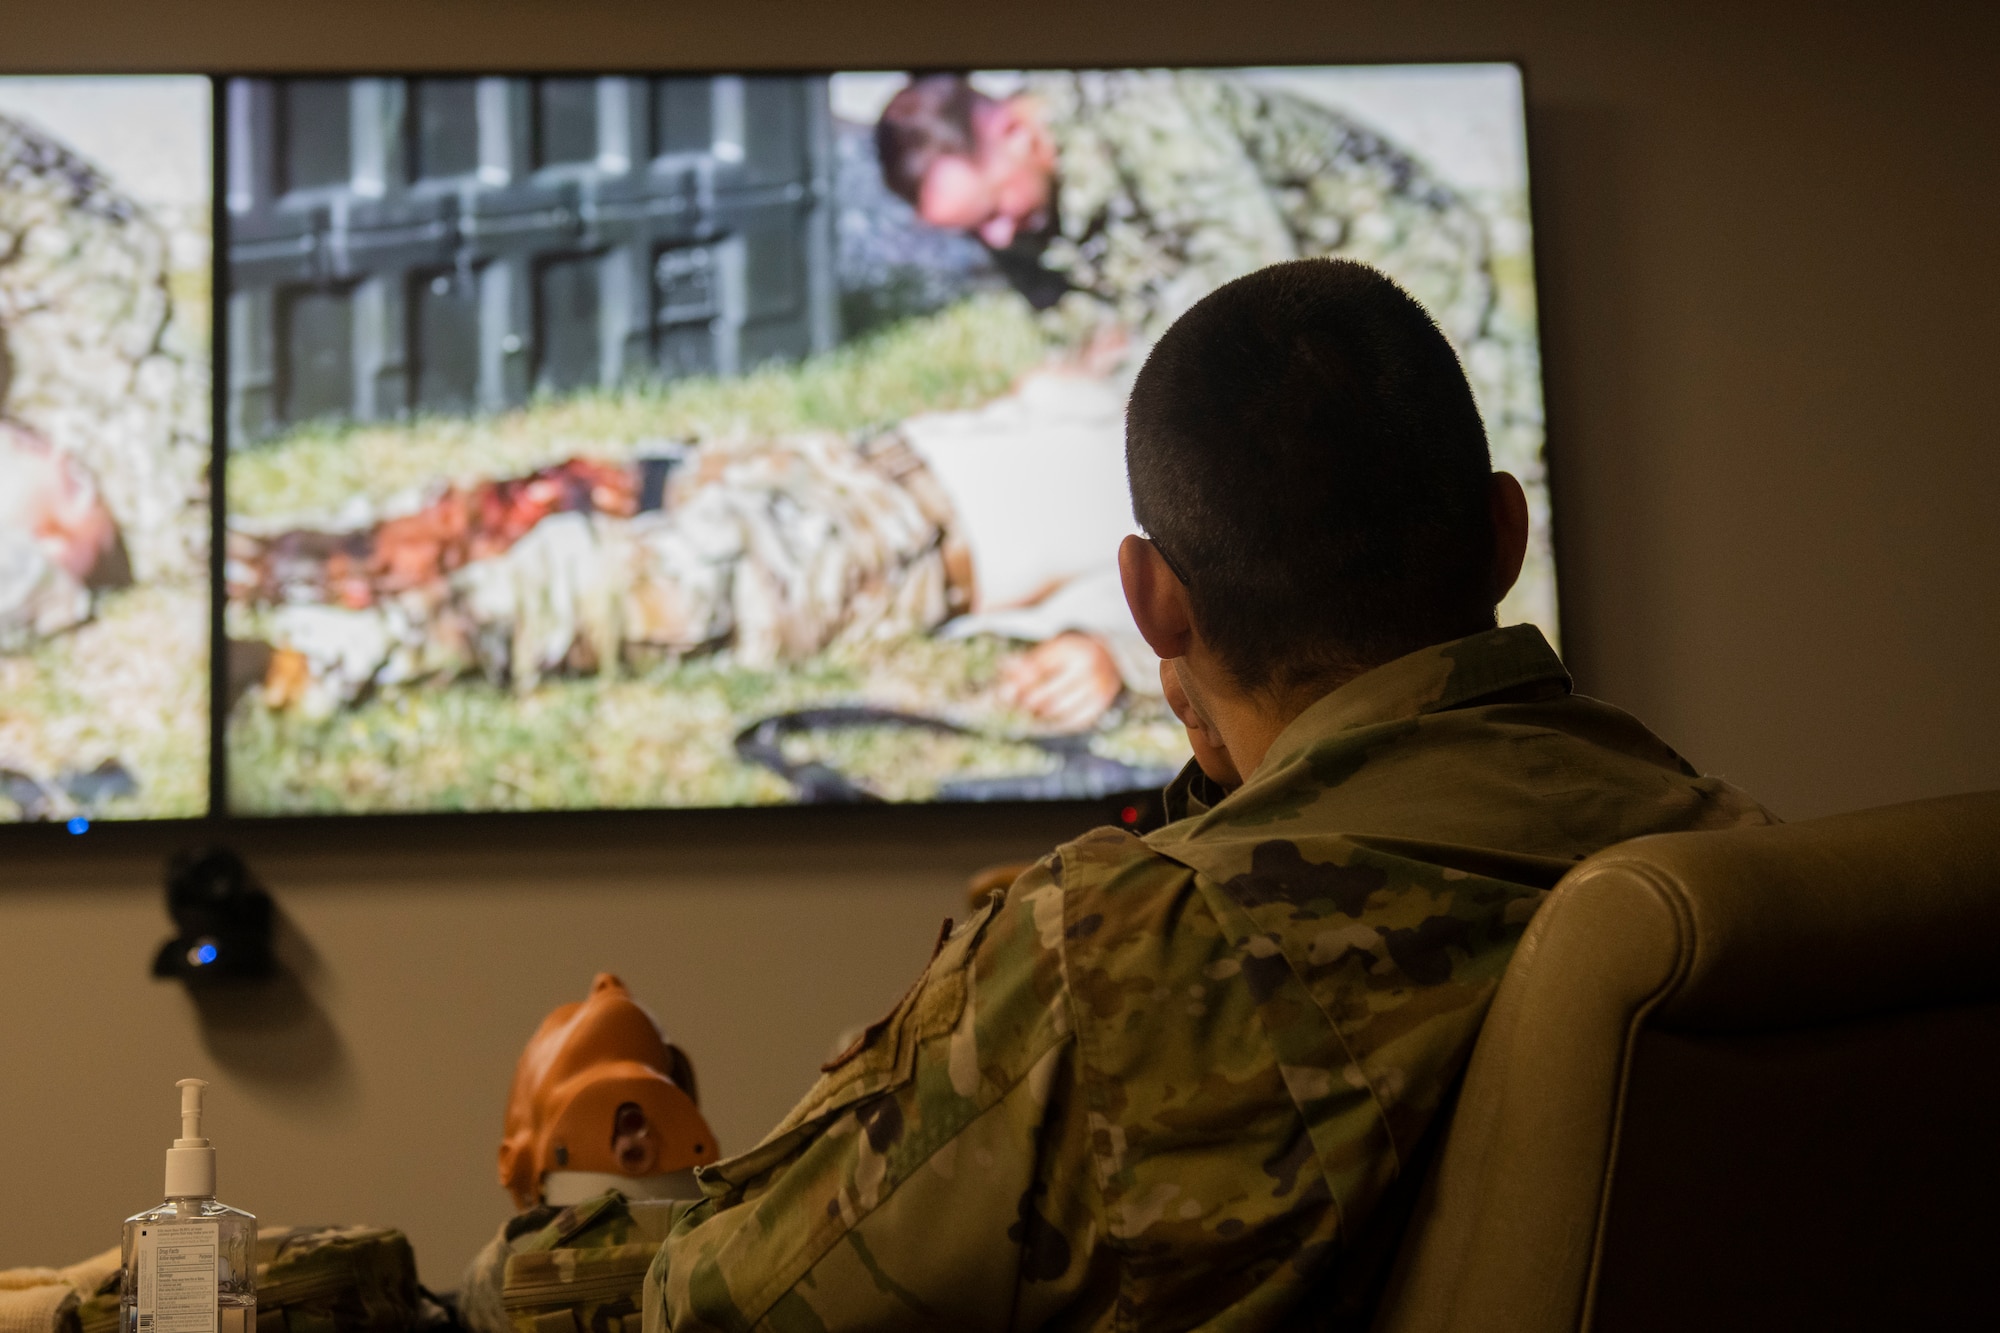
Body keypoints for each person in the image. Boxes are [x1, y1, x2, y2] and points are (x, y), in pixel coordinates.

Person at [638, 259, 1774, 1332]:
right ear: (1503, 536)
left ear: (1149, 601)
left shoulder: (1130, 950)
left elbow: (713, 1302)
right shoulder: (1743, 871)